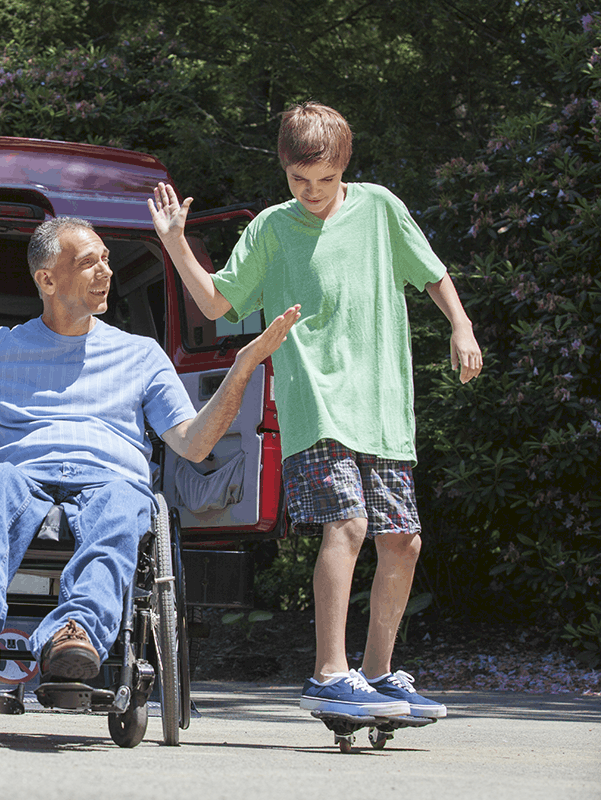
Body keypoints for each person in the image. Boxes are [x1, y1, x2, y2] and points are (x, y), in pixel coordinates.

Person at [0, 217, 300, 693]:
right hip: (20, 476)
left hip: (110, 479)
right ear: (47, 279)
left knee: (125, 499)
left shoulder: (141, 354)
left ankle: (74, 633)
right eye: (88, 262)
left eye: (106, 259)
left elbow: (194, 443)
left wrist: (242, 368)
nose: (105, 271)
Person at [148, 102, 483, 720]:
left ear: (343, 168)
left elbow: (432, 273)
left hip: (383, 404)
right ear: (285, 171)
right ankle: (331, 670)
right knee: (348, 525)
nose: (311, 192)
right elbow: (217, 304)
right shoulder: (273, 229)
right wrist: (174, 242)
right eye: (299, 181)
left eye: (324, 181)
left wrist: (460, 324)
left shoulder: (379, 208)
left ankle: (379, 673)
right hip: (316, 401)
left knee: (403, 540)